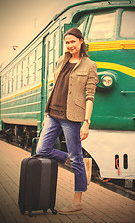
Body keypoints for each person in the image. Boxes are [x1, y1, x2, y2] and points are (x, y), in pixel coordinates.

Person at [36, 28, 97, 214]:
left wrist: (86, 121)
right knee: (42, 149)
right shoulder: (62, 61)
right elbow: (56, 87)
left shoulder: (90, 65)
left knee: (77, 157)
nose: (70, 46)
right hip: (53, 114)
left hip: (72, 118)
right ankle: (74, 161)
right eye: (67, 43)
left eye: (73, 42)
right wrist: (47, 115)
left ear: (81, 41)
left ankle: (77, 201)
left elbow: (90, 95)